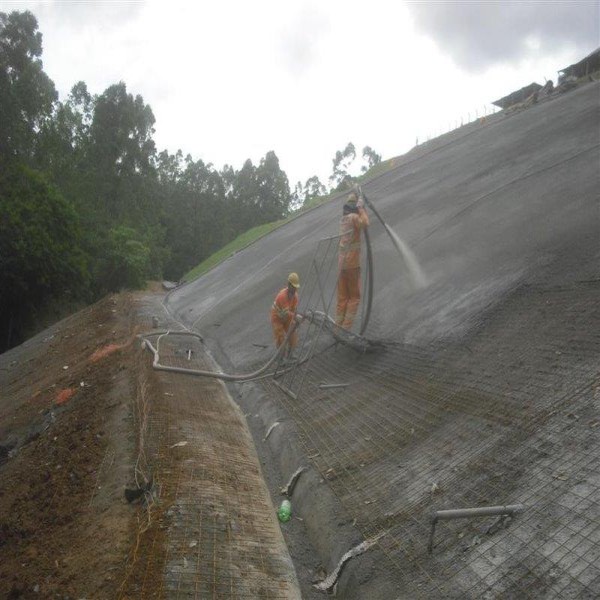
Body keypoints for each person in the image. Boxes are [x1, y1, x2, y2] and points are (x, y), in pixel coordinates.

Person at [336, 191, 369, 330]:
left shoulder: (343, 220)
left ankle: (338, 327)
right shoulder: (354, 217)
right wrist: (361, 208)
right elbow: (366, 223)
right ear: (354, 206)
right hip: (352, 264)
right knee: (354, 297)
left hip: (341, 265)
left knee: (342, 298)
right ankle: (346, 328)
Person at [271, 272, 301, 357]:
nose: (295, 289)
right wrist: (296, 317)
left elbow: (294, 310)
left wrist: (296, 318)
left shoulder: (295, 296)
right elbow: (287, 313)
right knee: (280, 338)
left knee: (292, 334)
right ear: (289, 284)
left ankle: (291, 355)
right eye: (293, 286)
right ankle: (282, 359)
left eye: (296, 287)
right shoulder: (282, 296)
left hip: (286, 317)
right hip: (277, 317)